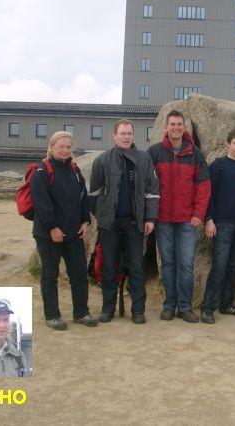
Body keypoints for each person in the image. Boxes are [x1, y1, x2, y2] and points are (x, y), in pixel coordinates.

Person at [90, 119, 159, 325]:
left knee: (137, 267)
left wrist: (150, 218)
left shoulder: (144, 159)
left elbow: (152, 192)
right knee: (109, 266)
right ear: (114, 136)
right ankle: (108, 309)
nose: (127, 137)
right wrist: (102, 216)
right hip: (109, 224)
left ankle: (138, 310)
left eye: (129, 133)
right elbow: (94, 194)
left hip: (134, 223)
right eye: (123, 133)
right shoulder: (102, 161)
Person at [148, 110, 211, 323]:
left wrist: (198, 214)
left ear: (184, 128)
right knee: (167, 264)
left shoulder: (195, 154)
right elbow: (148, 186)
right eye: (172, 124)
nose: (176, 128)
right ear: (166, 128)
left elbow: (203, 187)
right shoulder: (155, 152)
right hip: (163, 219)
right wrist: (151, 214)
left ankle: (185, 307)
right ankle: (169, 305)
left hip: (187, 220)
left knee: (185, 263)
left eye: (179, 124)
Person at [31, 131, 97, 330]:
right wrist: (52, 227)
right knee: (50, 275)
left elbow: (83, 197)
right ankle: (52, 315)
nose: (65, 150)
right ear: (51, 147)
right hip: (49, 233)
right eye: (61, 146)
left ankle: (81, 313)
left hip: (73, 233)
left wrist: (85, 221)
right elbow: (41, 203)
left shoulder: (75, 170)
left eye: (68, 147)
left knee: (78, 274)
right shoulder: (42, 172)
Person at [200, 128, 235, 324]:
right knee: (219, 268)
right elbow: (209, 195)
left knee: (233, 268)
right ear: (228, 144)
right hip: (221, 224)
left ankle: (226, 304)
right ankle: (207, 308)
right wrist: (209, 220)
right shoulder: (218, 166)